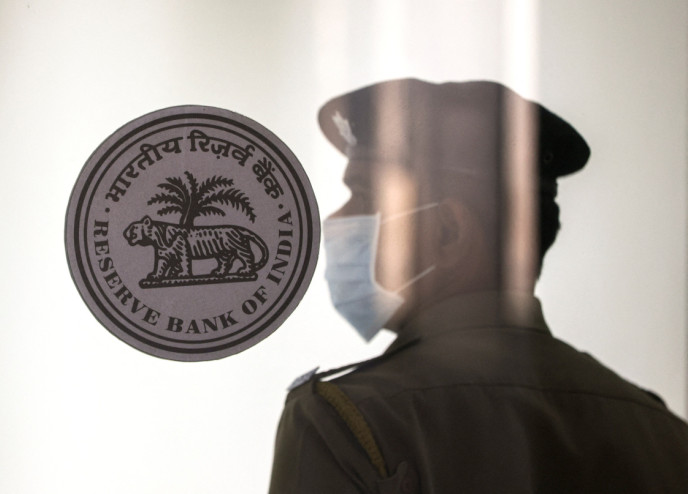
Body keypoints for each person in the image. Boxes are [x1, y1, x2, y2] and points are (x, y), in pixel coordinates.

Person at [268, 79, 688, 493]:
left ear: (448, 232)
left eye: (362, 194)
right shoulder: (664, 435)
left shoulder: (345, 425)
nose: (337, 220)